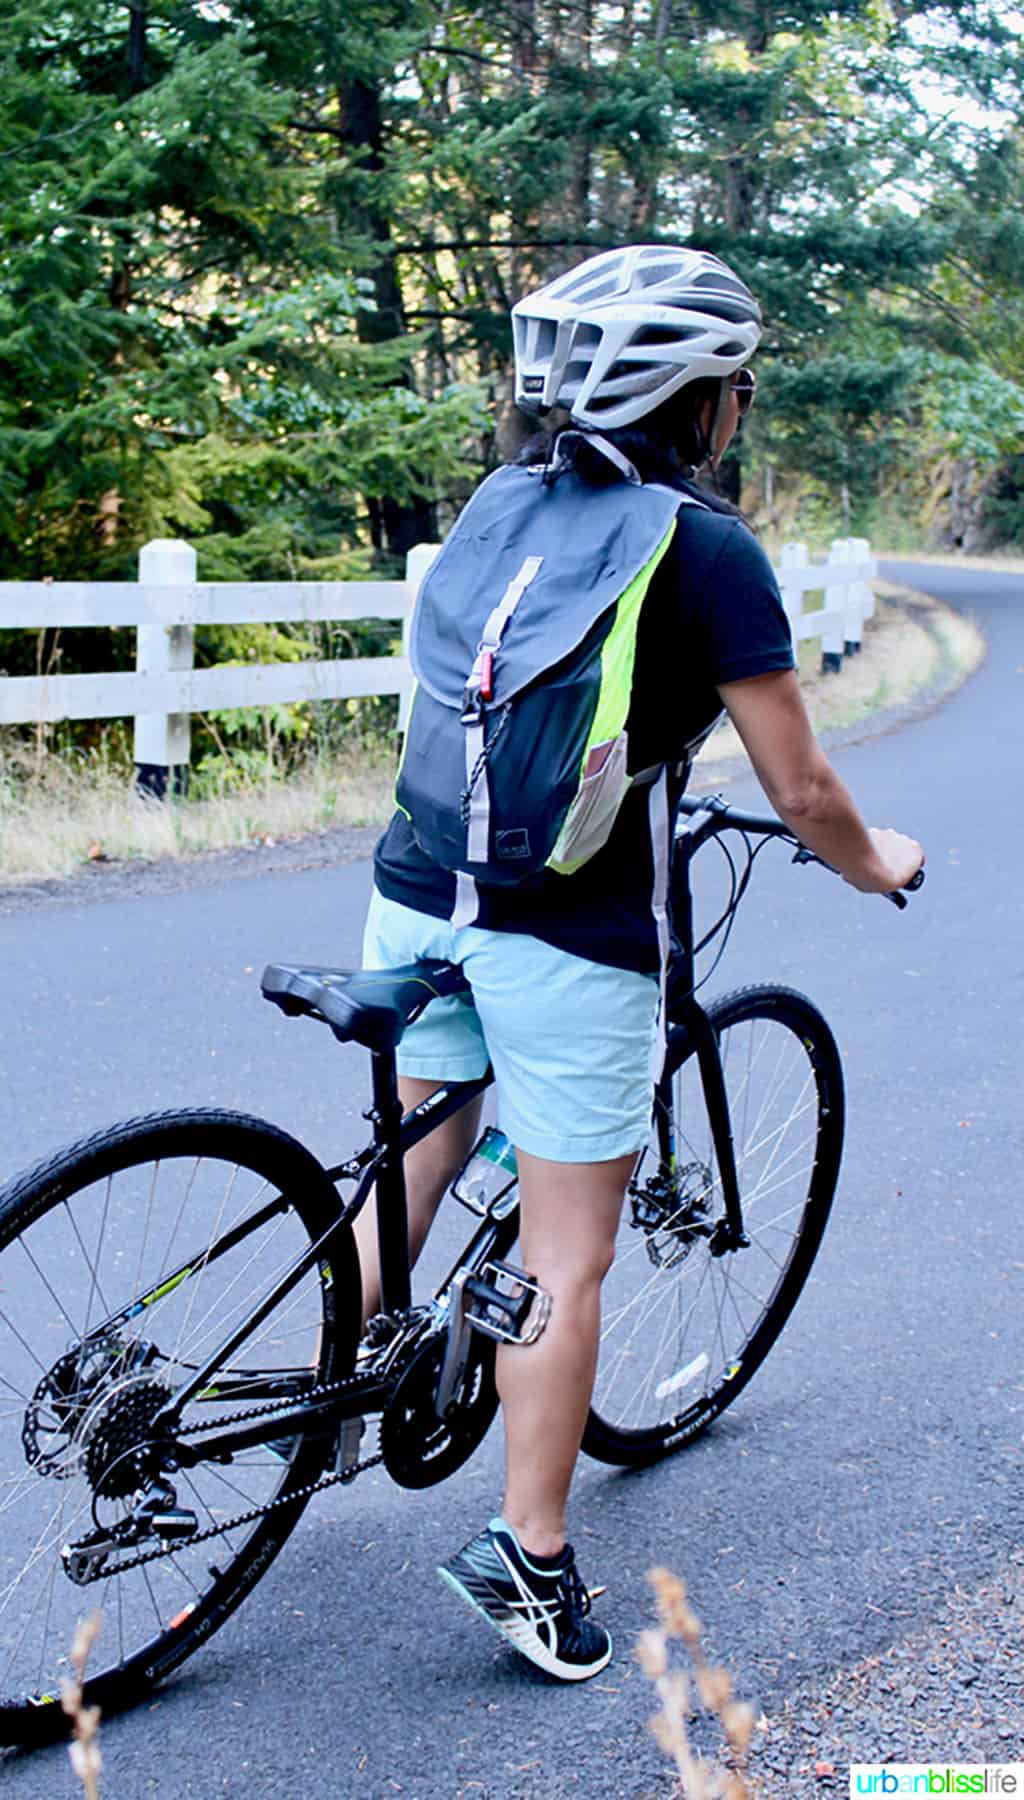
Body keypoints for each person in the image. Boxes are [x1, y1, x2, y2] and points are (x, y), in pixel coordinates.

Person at [359, 244, 924, 1681]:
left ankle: (318, 1401)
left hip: (419, 891)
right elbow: (801, 792)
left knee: (418, 1158)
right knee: (567, 1247)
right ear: (705, 403)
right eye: (735, 386)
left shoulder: (502, 502)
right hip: (566, 926)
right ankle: (531, 1565)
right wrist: (881, 864)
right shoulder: (706, 547)